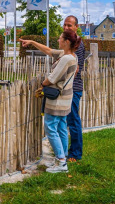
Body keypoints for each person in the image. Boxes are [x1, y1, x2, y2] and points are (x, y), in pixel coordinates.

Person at [19, 30, 81, 173]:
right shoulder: (71, 56)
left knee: (50, 128)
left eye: (60, 38)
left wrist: (42, 85)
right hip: (66, 98)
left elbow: (53, 78)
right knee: (61, 127)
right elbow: (48, 50)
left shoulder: (66, 59)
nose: (58, 40)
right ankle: (63, 157)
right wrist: (32, 42)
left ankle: (61, 163)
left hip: (57, 99)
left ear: (66, 42)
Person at [63, 15, 85, 162]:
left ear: (76, 27)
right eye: (64, 25)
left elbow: (74, 68)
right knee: (68, 121)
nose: (66, 28)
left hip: (73, 88)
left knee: (73, 121)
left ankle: (75, 154)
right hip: (68, 88)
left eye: (69, 25)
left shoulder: (77, 44)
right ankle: (66, 151)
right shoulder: (70, 42)